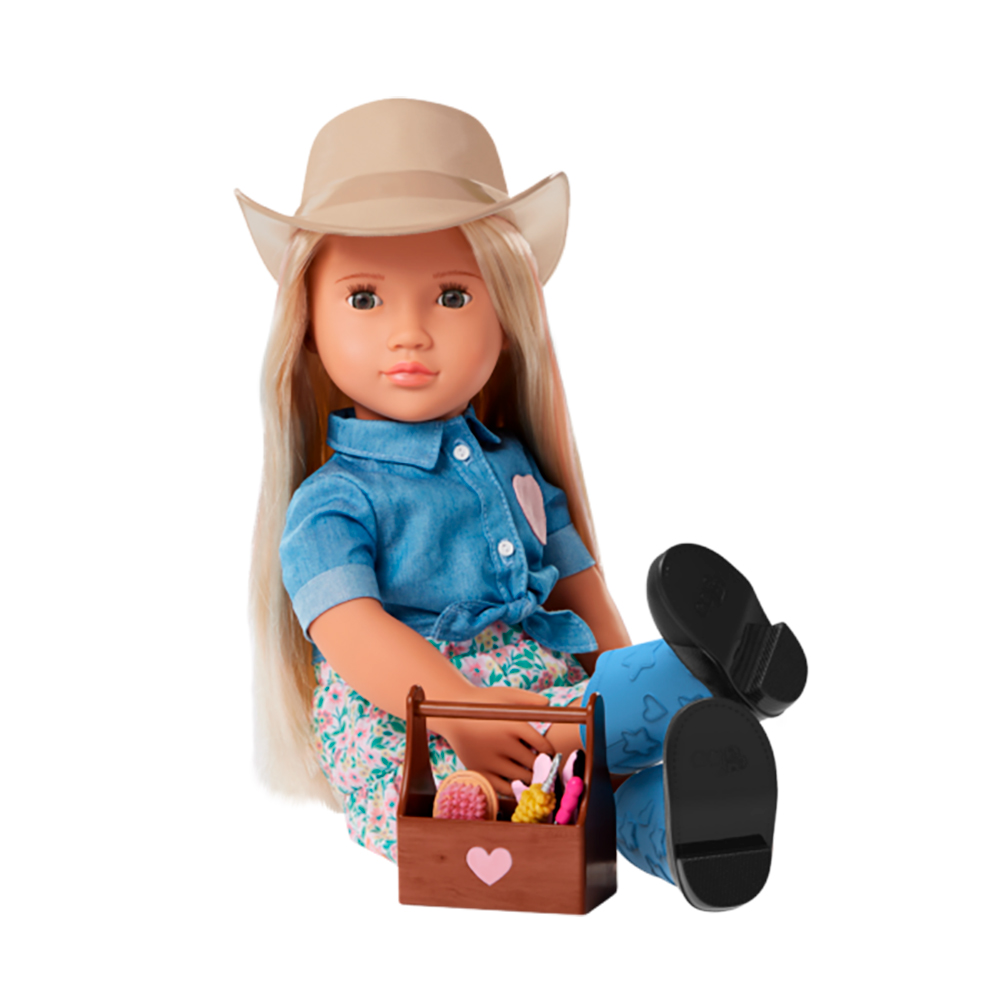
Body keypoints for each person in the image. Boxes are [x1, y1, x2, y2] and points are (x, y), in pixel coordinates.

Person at [237, 99, 805, 910]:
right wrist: (455, 714)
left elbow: (579, 587)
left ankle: (686, 808)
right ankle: (702, 683)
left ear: (507, 319)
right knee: (551, 758)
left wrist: (613, 657)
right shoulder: (333, 501)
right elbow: (350, 628)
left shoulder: (517, 468)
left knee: (585, 762)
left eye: (452, 297)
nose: (409, 333)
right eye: (364, 299)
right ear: (308, 328)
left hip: (537, 698)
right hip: (415, 733)